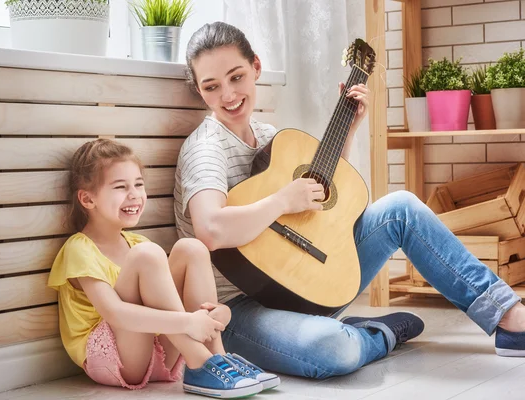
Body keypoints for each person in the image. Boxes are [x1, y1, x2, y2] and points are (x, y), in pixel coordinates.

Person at [173, 21, 525, 379]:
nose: (228, 95)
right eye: (211, 87)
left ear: (256, 68)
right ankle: (375, 334)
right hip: (236, 310)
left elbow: (321, 201)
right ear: (200, 92)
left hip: (301, 278)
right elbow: (210, 230)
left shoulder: (269, 135)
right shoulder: (206, 149)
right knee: (332, 347)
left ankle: (507, 315)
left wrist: (350, 128)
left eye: (236, 77)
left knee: (400, 208)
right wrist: (282, 200)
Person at [47, 138, 280, 398]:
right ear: (88, 199)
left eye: (138, 184)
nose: (134, 194)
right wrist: (188, 321)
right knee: (148, 254)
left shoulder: (137, 243)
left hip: (157, 352)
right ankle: (201, 361)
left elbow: (168, 303)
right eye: (120, 187)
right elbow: (115, 314)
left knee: (191, 248)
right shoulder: (80, 249)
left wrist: (216, 314)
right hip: (118, 361)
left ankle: (217, 357)